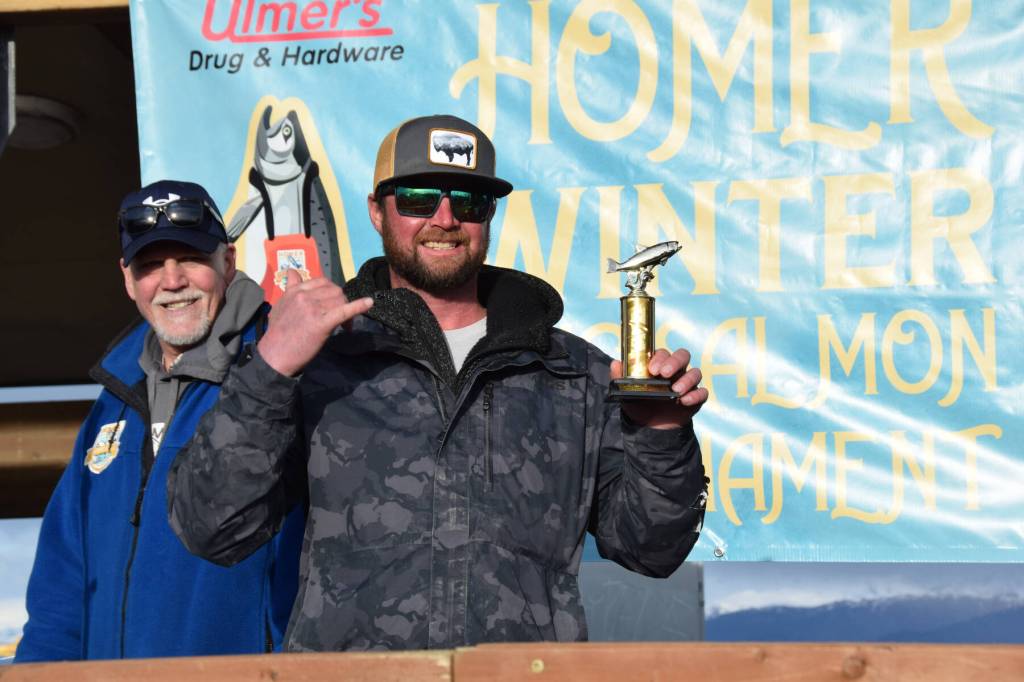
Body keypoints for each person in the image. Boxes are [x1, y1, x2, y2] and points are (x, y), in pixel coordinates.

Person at [169, 115, 708, 651]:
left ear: (489, 216)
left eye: (469, 201)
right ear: (378, 212)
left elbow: (651, 550)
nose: (445, 218)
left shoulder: (572, 372)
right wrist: (269, 370)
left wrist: (660, 435)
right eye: (420, 198)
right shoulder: (320, 358)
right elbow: (212, 528)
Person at [15, 180, 304, 662]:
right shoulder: (111, 405)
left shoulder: (285, 375)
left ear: (226, 262)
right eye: (150, 265)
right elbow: (61, 588)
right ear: (128, 280)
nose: (172, 281)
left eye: (189, 258)